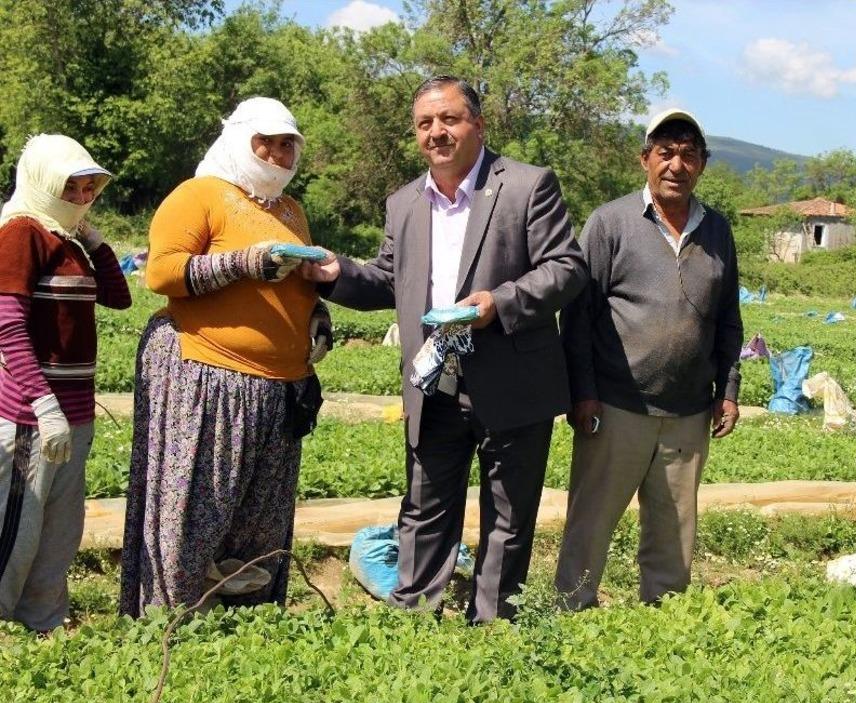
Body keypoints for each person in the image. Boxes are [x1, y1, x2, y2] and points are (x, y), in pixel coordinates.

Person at [302, 76, 586, 623]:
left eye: (449, 119)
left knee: (507, 515)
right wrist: (337, 274)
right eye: (425, 124)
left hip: (512, 380)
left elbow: (567, 268)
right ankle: (415, 621)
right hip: (435, 381)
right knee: (425, 509)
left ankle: (493, 625)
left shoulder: (527, 186)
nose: (437, 132)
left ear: (477, 124)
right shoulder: (404, 202)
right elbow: (389, 279)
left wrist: (498, 304)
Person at [119, 98, 332, 616]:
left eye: (288, 144)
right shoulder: (200, 195)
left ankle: (245, 624)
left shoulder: (290, 210)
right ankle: (171, 621)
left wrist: (317, 314)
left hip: (278, 387)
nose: (279, 152)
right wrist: (244, 262)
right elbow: (163, 274)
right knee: (196, 510)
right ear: (241, 141)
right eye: (268, 141)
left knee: (258, 519)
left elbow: (291, 283)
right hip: (208, 374)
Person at [553, 109, 744, 609]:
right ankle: (573, 609)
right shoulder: (610, 223)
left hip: (687, 413)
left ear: (703, 164)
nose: (676, 165)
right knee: (591, 521)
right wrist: (583, 392)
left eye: (688, 155)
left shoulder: (717, 230)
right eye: (665, 153)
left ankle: (664, 618)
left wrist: (728, 389)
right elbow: (577, 316)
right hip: (615, 406)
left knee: (673, 529)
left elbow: (728, 318)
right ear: (645, 160)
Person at [0, 134, 131, 631]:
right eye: (71, 187)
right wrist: (42, 403)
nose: (81, 198)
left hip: (75, 413)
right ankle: (3, 623)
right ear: (43, 183)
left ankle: (43, 622)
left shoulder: (67, 239)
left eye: (89, 187)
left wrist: (96, 242)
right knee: (18, 526)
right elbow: (7, 325)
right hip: (32, 414)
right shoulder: (21, 232)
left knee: (59, 532)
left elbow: (118, 298)